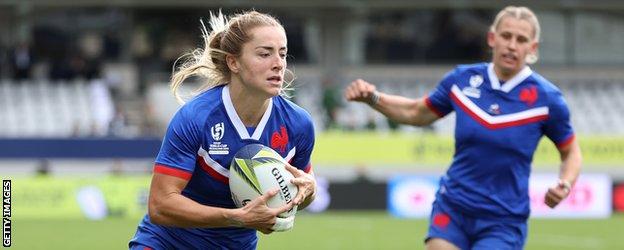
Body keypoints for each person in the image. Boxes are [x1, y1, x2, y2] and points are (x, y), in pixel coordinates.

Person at [345, 6, 581, 250]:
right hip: (454, 207)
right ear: (492, 38)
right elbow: (416, 112)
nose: (512, 45)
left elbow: (571, 152)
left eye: (521, 40)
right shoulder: (462, 80)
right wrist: (373, 98)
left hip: (503, 219)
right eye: (506, 36)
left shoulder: (547, 99)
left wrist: (564, 184)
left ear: (533, 48)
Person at [129, 10, 317, 249]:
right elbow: (160, 206)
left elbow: (302, 193)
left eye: (282, 53)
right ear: (233, 62)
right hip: (166, 243)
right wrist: (237, 218)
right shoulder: (196, 118)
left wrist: (310, 190)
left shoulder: (298, 124)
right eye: (264, 54)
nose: (278, 64)